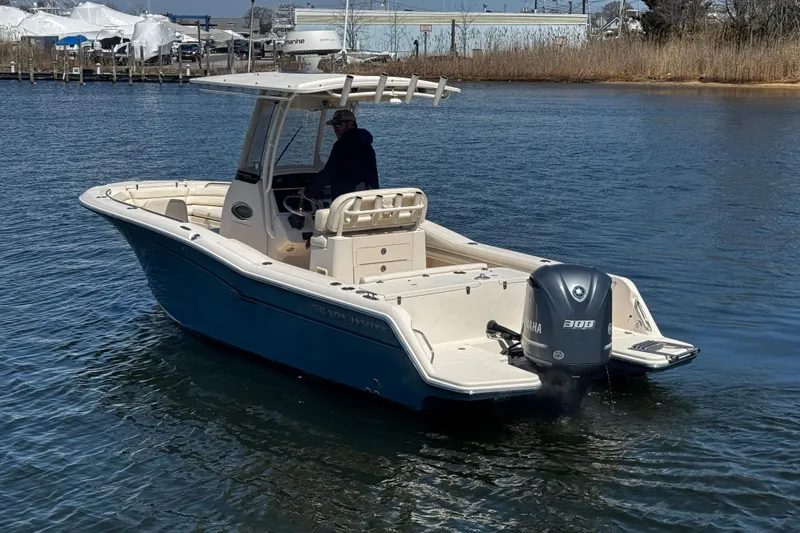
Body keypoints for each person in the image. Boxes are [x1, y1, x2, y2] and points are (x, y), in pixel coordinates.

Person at [303, 109, 379, 202]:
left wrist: (307, 192)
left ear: (350, 124)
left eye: (338, 124)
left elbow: (328, 174)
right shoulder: (366, 145)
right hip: (369, 200)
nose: (336, 128)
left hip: (348, 202)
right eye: (334, 125)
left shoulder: (342, 145)